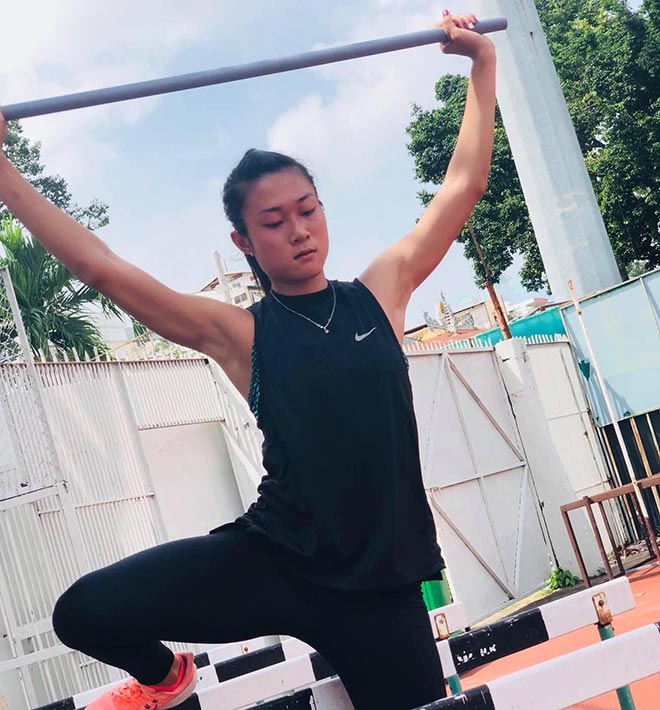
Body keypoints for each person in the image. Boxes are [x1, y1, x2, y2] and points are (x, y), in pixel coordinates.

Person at [0, 10, 495, 710]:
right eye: (274, 221)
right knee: (84, 612)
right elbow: (104, 269)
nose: (298, 230)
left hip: (380, 588)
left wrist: (481, 63)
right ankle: (166, 678)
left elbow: (462, 186)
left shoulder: (381, 293)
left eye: (308, 210)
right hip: (277, 561)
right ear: (243, 242)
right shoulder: (240, 333)